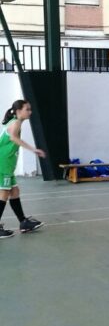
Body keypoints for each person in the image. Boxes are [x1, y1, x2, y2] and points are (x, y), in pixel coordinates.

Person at [0, 100, 46, 237]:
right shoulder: (16, 123)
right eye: (27, 109)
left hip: (7, 164)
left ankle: (23, 222)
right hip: (3, 164)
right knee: (4, 193)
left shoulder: (14, 122)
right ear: (19, 111)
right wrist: (33, 149)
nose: (30, 112)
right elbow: (13, 138)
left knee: (14, 191)